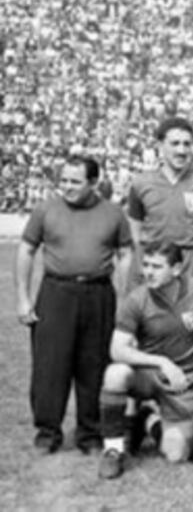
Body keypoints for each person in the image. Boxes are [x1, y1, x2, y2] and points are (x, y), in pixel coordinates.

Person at [15, 155, 132, 454]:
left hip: (98, 294)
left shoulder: (113, 214)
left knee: (93, 365)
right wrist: (23, 298)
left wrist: (124, 299)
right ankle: (47, 431)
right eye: (63, 180)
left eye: (74, 181)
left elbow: (126, 255)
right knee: (50, 365)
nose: (66, 186)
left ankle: (90, 433)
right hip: (56, 293)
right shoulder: (45, 210)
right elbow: (27, 250)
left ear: (93, 183)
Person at [97, 241, 193, 478]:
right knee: (115, 374)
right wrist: (161, 362)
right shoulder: (136, 300)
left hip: (182, 381)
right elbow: (116, 349)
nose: (148, 272)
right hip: (149, 375)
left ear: (177, 269)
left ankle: (148, 420)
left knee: (176, 454)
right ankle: (113, 450)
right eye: (145, 265)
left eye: (157, 267)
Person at [125, 117, 193, 286]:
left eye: (187, 144)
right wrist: (147, 256)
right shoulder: (141, 183)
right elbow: (134, 229)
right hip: (154, 260)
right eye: (175, 143)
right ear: (160, 145)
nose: (182, 150)